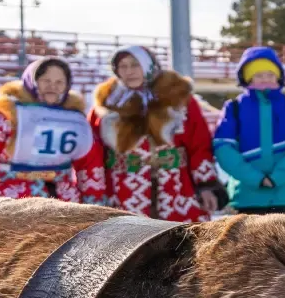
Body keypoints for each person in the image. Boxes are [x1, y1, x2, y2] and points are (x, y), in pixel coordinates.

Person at [90, 45, 227, 221]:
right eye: (122, 66)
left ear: (149, 66)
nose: (129, 71)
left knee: (179, 242)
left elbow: (199, 145)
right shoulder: (106, 104)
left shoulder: (178, 98)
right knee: (128, 244)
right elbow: (93, 151)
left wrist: (206, 184)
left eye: (135, 64)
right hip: (122, 191)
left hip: (176, 188)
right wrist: (95, 193)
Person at [0, 57, 105, 202]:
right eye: (45, 80)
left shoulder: (76, 121)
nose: (52, 86)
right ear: (32, 80)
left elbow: (90, 166)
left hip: (62, 202)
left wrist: (94, 203)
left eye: (59, 82)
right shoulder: (5, 115)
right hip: (10, 201)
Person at [212, 46, 285, 214]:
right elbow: (223, 147)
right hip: (246, 195)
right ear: (248, 79)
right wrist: (255, 178)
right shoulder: (234, 107)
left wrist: (278, 176)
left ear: (279, 77)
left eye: (270, 75)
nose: (265, 79)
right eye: (259, 75)